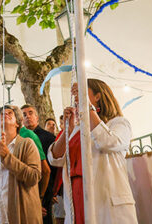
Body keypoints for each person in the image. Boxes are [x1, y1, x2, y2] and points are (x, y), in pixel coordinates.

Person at [48, 78, 137, 224]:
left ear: (97, 96)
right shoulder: (76, 129)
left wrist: (87, 107)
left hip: (105, 195)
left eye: (82, 92)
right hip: (77, 195)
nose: (76, 97)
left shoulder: (119, 123)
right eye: (75, 94)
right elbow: (55, 159)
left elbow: (108, 142)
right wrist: (67, 129)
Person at [0, 105, 42, 224]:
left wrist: (7, 157)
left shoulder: (27, 144)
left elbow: (34, 177)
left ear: (17, 123)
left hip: (21, 216)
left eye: (10, 113)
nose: (4, 114)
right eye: (1, 114)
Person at [22, 105, 57, 223]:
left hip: (45, 189)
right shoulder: (20, 137)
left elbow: (54, 166)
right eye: (24, 114)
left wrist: (53, 192)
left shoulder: (48, 137)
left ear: (37, 117)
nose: (27, 117)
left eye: (30, 113)